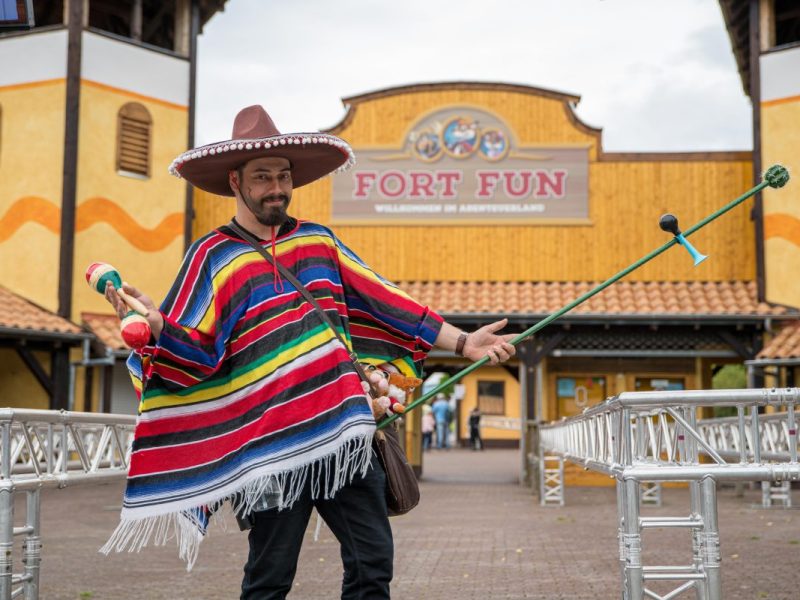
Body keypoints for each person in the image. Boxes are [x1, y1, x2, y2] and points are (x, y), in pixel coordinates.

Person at [101, 105, 516, 600]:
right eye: (262, 177)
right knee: (270, 577)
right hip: (270, 447)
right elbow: (198, 350)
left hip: (344, 433)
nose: (276, 187)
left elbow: (387, 301)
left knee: (373, 563)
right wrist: (158, 326)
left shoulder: (319, 241)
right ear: (235, 181)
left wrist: (464, 342)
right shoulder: (212, 256)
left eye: (283, 176)